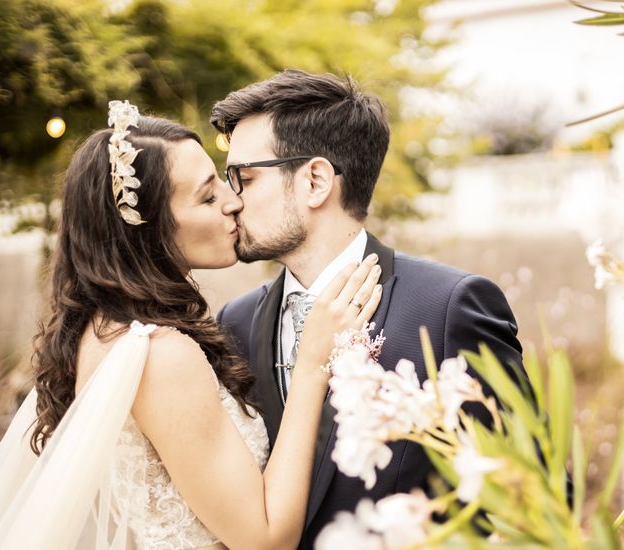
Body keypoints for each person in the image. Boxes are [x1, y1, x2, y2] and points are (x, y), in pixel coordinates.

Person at [0, 102, 382, 550]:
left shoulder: (103, 329)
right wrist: (313, 361)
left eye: (224, 180)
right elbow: (265, 539)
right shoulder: (160, 353)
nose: (233, 201)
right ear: (150, 229)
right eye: (207, 196)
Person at [211, 70, 526, 548]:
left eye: (244, 178)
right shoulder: (233, 322)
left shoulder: (448, 308)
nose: (230, 201)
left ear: (315, 181)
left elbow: (528, 492)